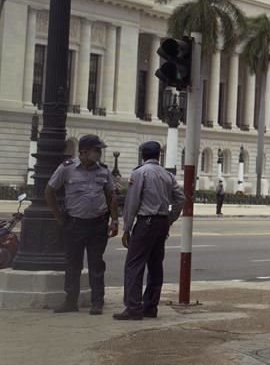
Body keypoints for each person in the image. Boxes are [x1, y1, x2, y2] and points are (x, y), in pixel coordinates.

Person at [45, 134, 119, 315]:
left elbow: (112, 196)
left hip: (98, 224)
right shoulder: (67, 169)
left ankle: (97, 302)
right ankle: (70, 301)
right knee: (72, 264)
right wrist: (58, 217)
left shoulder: (103, 171)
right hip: (74, 224)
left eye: (100, 150)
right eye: (96, 150)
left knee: (96, 264)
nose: (99, 154)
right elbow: (49, 191)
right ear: (84, 151)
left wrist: (115, 220)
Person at [114, 141, 185, 321]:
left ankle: (133, 307)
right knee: (155, 266)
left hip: (146, 222)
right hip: (161, 222)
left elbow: (132, 202)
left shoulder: (140, 173)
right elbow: (180, 198)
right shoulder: (167, 175)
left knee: (134, 265)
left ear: (142, 155)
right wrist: (170, 219)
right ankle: (150, 306)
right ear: (158, 155)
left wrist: (127, 228)